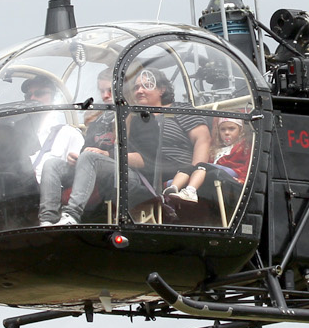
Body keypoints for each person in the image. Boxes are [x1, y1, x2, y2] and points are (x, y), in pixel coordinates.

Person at [57, 67, 209, 223]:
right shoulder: (134, 117)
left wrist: (196, 171)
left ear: (162, 89)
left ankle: (73, 213)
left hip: (174, 169)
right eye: (136, 87)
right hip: (139, 170)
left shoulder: (179, 110)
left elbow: (202, 140)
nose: (140, 91)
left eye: (146, 85)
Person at [37, 68, 115, 226]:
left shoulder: (129, 116)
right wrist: (76, 159)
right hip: (92, 166)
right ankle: (48, 218)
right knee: (52, 164)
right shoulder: (98, 121)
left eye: (110, 91)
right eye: (102, 91)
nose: (105, 96)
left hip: (117, 168)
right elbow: (86, 150)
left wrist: (106, 153)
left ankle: (72, 214)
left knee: (88, 158)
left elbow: (134, 152)